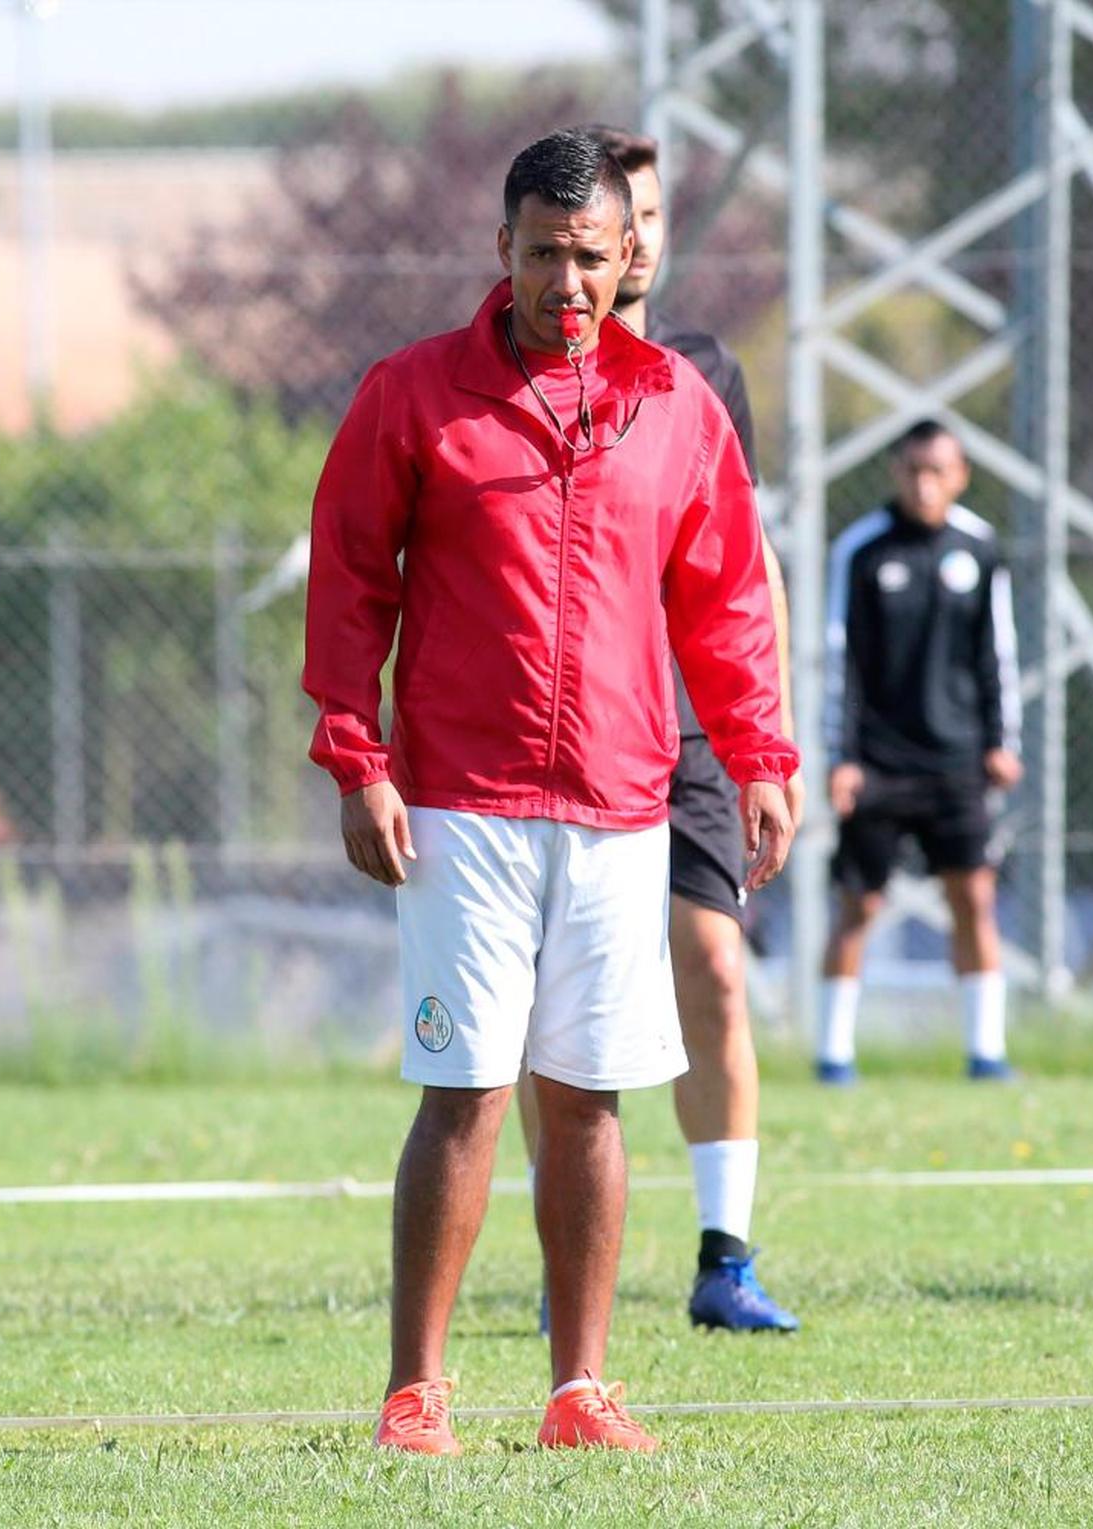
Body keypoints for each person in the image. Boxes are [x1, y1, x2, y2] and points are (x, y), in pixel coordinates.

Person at [303, 129, 797, 1456]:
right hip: (462, 798)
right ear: (501, 249)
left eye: (588, 257)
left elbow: (728, 598)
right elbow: (352, 580)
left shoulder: (680, 408)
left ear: (627, 251)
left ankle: (580, 1390)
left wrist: (760, 753)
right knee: (464, 1087)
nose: (564, 283)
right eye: (541, 255)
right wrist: (358, 758)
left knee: (588, 1090)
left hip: (625, 802)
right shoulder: (412, 395)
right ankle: (417, 1391)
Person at [515, 125, 801, 1335]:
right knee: (548, 1012)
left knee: (717, 970)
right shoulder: (506, 368)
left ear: (644, 238)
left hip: (679, 736)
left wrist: (767, 740)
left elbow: (743, 562)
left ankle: (724, 1256)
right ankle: (559, 1251)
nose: (622, 248)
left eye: (645, 221)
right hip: (554, 742)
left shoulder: (696, 375)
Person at [817, 420, 1023, 1084]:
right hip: (876, 762)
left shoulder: (978, 548)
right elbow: (837, 657)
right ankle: (832, 1055)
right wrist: (840, 754)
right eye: (912, 469)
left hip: (957, 760)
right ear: (895, 472)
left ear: (961, 475)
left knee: (974, 897)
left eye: (937, 470)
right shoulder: (862, 549)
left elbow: (998, 654)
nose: (924, 482)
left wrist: (1000, 742)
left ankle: (986, 1053)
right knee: (860, 905)